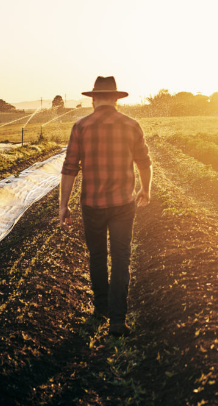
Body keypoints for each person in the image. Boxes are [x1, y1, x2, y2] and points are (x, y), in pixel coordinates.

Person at [59, 76, 152, 337]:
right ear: (116, 99)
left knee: (98, 256)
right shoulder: (131, 125)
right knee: (121, 257)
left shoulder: (81, 126)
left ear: (93, 99)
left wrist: (63, 206)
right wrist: (146, 189)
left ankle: (100, 310)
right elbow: (144, 162)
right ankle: (117, 320)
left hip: (91, 203)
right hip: (124, 202)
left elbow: (69, 169)